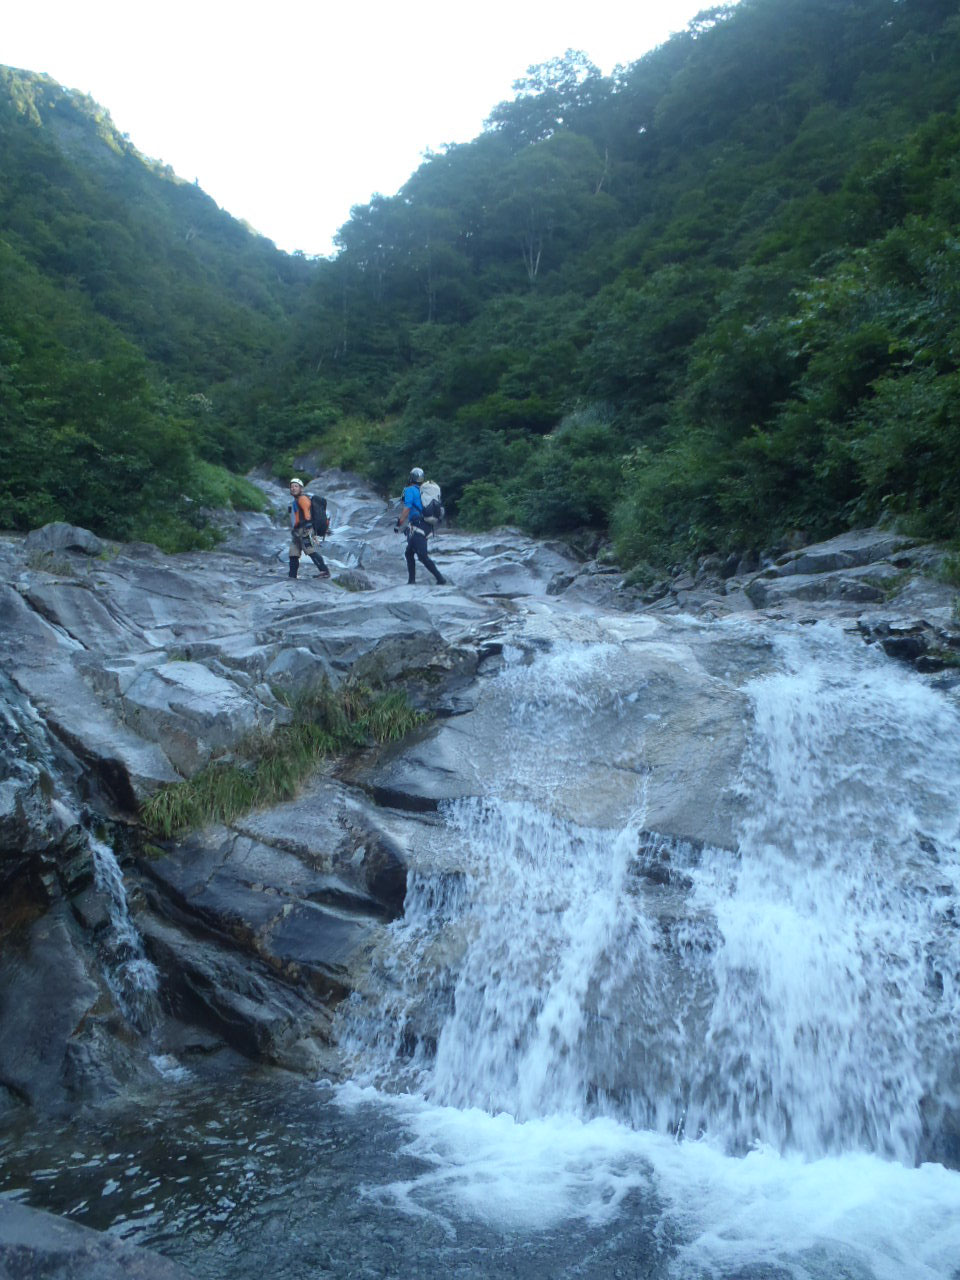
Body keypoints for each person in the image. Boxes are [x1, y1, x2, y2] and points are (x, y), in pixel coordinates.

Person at [395, 467, 445, 585]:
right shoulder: (424, 491)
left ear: (411, 477)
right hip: (425, 525)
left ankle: (440, 579)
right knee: (409, 553)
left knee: (422, 555)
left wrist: (399, 523)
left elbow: (407, 509)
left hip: (418, 525)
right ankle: (411, 581)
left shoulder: (409, 490)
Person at [287, 478, 330, 580]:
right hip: (297, 532)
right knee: (293, 553)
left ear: (301, 488)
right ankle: (292, 576)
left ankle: (324, 571)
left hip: (305, 530)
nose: (293, 488)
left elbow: (307, 515)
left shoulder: (303, 499)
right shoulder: (296, 500)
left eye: (296, 486)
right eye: (292, 486)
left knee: (310, 551)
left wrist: (309, 530)